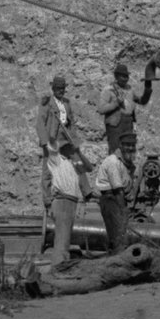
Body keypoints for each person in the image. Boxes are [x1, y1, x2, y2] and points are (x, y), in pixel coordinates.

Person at [36, 73, 90, 269]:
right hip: (52, 140)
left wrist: (75, 140)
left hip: (65, 139)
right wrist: (44, 142)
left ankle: (87, 189)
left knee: (77, 161)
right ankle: (47, 198)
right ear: (53, 88)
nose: (61, 91)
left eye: (63, 88)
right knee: (48, 171)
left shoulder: (67, 103)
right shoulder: (46, 103)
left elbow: (71, 123)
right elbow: (39, 123)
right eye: (58, 88)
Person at [91, 141, 135, 252]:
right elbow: (118, 189)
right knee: (117, 235)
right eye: (128, 146)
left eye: (132, 147)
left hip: (117, 198)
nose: (131, 149)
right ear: (121, 147)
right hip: (111, 199)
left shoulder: (123, 163)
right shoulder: (113, 162)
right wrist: (123, 210)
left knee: (118, 235)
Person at [99, 60, 144, 157]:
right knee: (115, 150)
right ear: (116, 77)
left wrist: (148, 90)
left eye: (126, 76)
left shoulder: (130, 89)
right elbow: (101, 109)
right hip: (115, 125)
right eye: (122, 76)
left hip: (128, 124)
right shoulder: (108, 90)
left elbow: (140, 100)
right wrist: (116, 103)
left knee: (128, 151)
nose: (125, 79)